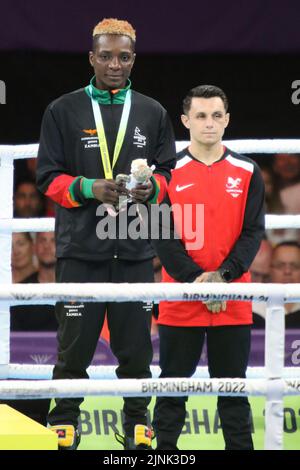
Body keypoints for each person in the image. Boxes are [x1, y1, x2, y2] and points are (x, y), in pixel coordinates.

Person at [36, 18, 176, 450]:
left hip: (134, 247)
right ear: (91, 57)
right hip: (81, 247)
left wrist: (152, 187)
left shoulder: (153, 112)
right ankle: (63, 425)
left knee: (136, 351)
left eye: (124, 56)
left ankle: (138, 426)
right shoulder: (63, 109)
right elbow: (46, 177)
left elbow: (169, 174)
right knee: (73, 350)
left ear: (134, 58)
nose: (115, 64)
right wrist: (88, 187)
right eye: (106, 56)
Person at [151, 85, 265, 450]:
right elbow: (162, 236)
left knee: (233, 393)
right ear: (185, 121)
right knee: (172, 392)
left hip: (231, 300)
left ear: (227, 119)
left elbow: (252, 233)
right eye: (201, 115)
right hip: (181, 298)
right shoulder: (165, 173)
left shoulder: (248, 170)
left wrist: (223, 278)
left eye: (217, 115)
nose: (209, 123)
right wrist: (198, 282)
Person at [11, 231, 57, 331]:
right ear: (34, 246)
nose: (47, 246)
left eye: (53, 241)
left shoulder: (75, 288)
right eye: (42, 240)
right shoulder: (20, 291)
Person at [253, 241, 300, 328]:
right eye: (280, 265)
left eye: (295, 266)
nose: (287, 271)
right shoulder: (254, 306)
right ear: (270, 269)